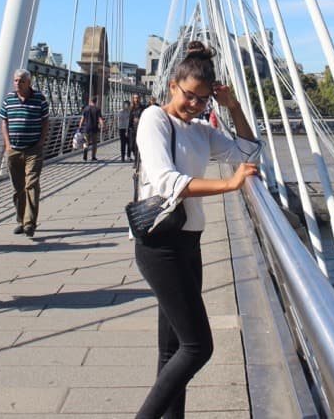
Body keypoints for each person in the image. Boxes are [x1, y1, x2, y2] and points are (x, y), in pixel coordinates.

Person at [134, 41, 261, 419]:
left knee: (173, 349)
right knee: (197, 347)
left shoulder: (202, 131)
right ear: (173, 85)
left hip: (190, 241)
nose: (195, 104)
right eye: (190, 95)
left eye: (204, 100)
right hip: (160, 246)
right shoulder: (154, 119)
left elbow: (250, 153)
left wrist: (233, 107)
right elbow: (166, 181)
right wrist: (228, 184)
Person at [0, 69, 49, 238]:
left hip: (33, 150)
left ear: (29, 82)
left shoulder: (40, 99)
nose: (17, 83)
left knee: (31, 185)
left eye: (21, 81)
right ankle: (20, 220)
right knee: (18, 188)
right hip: (13, 150)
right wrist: (7, 144)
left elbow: (45, 121)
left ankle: (30, 223)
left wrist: (41, 142)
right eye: (15, 80)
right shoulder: (8, 100)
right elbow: (4, 122)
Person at [79, 96, 104, 162]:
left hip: (87, 128)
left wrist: (80, 126)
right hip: (94, 128)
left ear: (90, 101)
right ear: (96, 101)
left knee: (86, 142)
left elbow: (82, 119)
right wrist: (102, 125)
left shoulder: (86, 108)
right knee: (94, 143)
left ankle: (85, 155)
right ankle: (93, 157)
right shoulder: (97, 109)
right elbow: (100, 119)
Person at [128, 92, 145, 161]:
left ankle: (137, 160)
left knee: (138, 145)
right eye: (135, 98)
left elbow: (145, 116)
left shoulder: (142, 107)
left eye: (137, 98)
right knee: (131, 146)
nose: (136, 99)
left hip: (140, 128)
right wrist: (127, 129)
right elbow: (129, 118)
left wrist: (139, 119)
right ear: (133, 99)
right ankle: (136, 157)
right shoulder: (131, 108)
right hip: (132, 128)